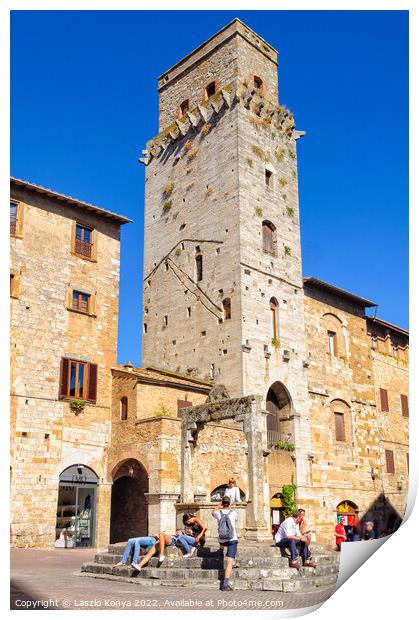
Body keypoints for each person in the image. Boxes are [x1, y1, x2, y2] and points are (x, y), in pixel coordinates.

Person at [212, 496, 238, 591]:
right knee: (230, 562)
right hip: (232, 539)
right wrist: (231, 507)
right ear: (229, 503)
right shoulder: (234, 513)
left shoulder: (218, 513)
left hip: (222, 539)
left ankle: (221, 550)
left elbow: (212, 512)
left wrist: (218, 505)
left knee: (220, 538)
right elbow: (235, 519)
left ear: (222, 503)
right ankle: (225, 584)